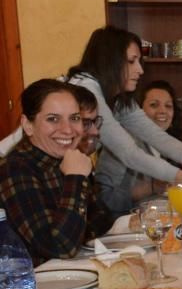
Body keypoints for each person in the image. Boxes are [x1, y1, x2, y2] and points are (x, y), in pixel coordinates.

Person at [66, 26, 182, 215]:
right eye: (132, 61)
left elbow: (153, 133)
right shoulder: (87, 89)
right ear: (110, 62)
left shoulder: (114, 95)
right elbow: (129, 153)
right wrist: (181, 178)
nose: (140, 70)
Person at [0, 79, 114, 264]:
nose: (68, 129)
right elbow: (60, 247)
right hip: (33, 288)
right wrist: (75, 179)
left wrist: (76, 231)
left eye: (75, 118)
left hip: (69, 277)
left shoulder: (67, 159)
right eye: (53, 119)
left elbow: (103, 219)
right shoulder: (15, 169)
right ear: (27, 125)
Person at [139, 80, 182, 144]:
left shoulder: (177, 146)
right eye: (154, 105)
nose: (163, 111)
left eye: (168, 106)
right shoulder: (130, 146)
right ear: (139, 110)